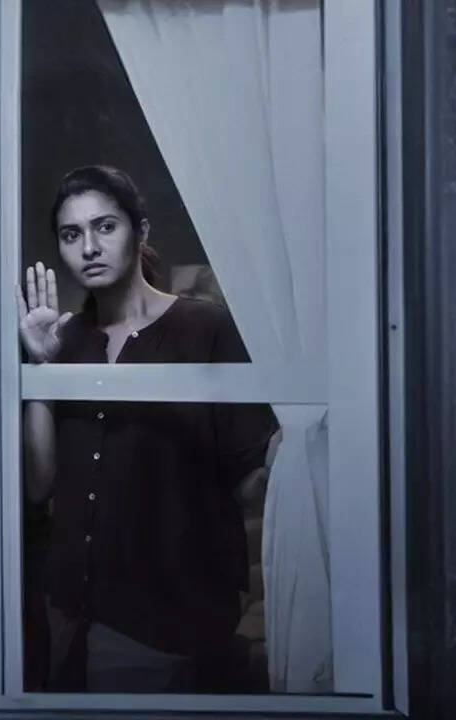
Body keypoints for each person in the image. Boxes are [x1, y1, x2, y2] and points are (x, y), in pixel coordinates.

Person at [18, 165, 280, 693]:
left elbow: (248, 479)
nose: (89, 247)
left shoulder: (205, 328)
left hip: (169, 615)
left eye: (105, 227)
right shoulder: (67, 340)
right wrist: (39, 372)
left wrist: (294, 453)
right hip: (68, 608)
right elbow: (39, 485)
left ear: (140, 231)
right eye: (71, 234)